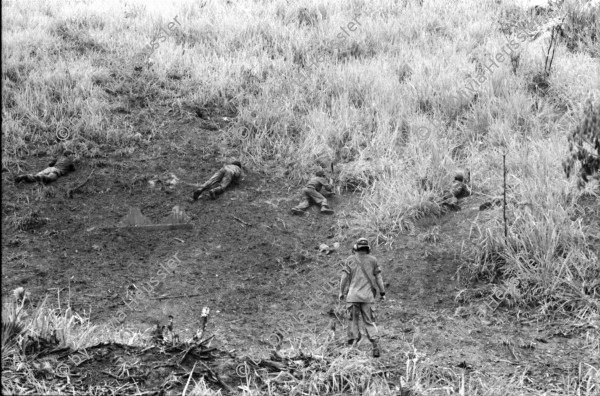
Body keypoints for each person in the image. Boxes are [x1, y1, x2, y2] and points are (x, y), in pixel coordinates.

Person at [339, 237, 386, 357]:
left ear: (356, 248)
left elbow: (344, 277)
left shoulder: (350, 259)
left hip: (353, 297)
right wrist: (382, 293)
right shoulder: (373, 260)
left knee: (353, 321)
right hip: (367, 297)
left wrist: (341, 292)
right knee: (369, 322)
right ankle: (375, 345)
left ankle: (353, 346)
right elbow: (378, 278)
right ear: (368, 248)